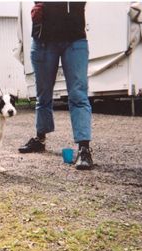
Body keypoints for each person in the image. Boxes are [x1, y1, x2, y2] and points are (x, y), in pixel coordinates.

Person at [18, 1, 94, 170]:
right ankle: (40, 139)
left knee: (78, 94)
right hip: (43, 40)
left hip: (75, 39)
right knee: (43, 94)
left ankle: (84, 149)